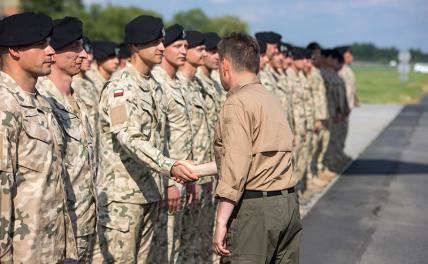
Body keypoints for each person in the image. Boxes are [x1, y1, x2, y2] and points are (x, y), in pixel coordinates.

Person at [187, 32, 302, 264]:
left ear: (226, 65)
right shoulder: (269, 98)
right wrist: (197, 170)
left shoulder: (237, 103)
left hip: (256, 212)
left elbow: (236, 168)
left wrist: (220, 222)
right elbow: (253, 157)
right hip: (287, 205)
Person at [95, 15, 197, 263]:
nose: (161, 47)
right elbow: (128, 136)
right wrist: (169, 167)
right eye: (155, 42)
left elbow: (169, 135)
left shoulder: (154, 85)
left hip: (150, 192)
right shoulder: (121, 87)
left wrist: (172, 175)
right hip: (124, 198)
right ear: (136, 46)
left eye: (162, 41)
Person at [0, 12, 77, 262]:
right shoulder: (5, 106)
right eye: (41, 44)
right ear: (14, 50)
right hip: (23, 253)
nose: (51, 51)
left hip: (51, 247)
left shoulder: (42, 103)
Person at [35, 16, 97, 262]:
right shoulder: (40, 100)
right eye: (74, 48)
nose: (83, 55)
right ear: (54, 53)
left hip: (84, 222)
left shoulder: (78, 99)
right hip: (55, 230)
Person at [151, 23, 193, 264]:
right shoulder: (157, 84)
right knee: (163, 248)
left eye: (186, 46)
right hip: (167, 180)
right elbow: (159, 139)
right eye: (177, 46)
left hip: (183, 177)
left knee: (175, 244)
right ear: (163, 48)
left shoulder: (179, 83)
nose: (183, 51)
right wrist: (169, 182)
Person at [177, 30, 213, 263]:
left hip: (202, 170)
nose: (205, 53)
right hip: (183, 174)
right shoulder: (174, 85)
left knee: (196, 233)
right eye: (199, 49)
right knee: (180, 237)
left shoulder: (197, 84)